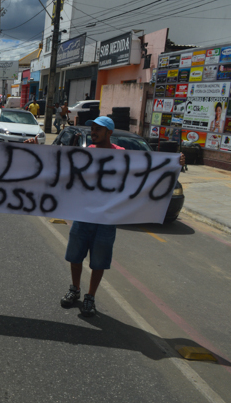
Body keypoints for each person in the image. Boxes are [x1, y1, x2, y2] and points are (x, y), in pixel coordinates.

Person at [26, 116, 185, 317]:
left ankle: (90, 297)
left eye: (98, 129)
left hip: (106, 220)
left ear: (109, 132)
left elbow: (146, 172)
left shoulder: (121, 155)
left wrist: (174, 163)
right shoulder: (86, 153)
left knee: (98, 261)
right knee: (75, 257)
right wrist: (35, 150)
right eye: (92, 128)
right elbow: (58, 166)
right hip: (83, 216)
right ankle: (75, 289)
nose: (93, 132)